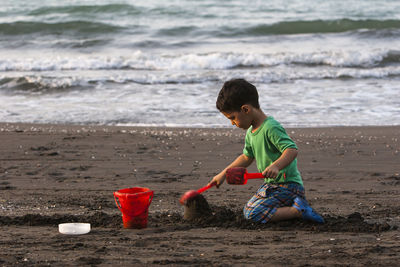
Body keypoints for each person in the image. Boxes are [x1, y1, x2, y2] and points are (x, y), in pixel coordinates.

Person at [209, 78, 324, 224]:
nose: (232, 123)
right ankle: (292, 206)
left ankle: (298, 210)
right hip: (272, 186)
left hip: (288, 185)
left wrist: (276, 166)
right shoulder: (251, 132)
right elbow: (246, 157)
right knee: (249, 209)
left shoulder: (270, 127)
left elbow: (291, 149)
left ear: (245, 109)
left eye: (233, 118)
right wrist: (223, 174)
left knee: (252, 213)